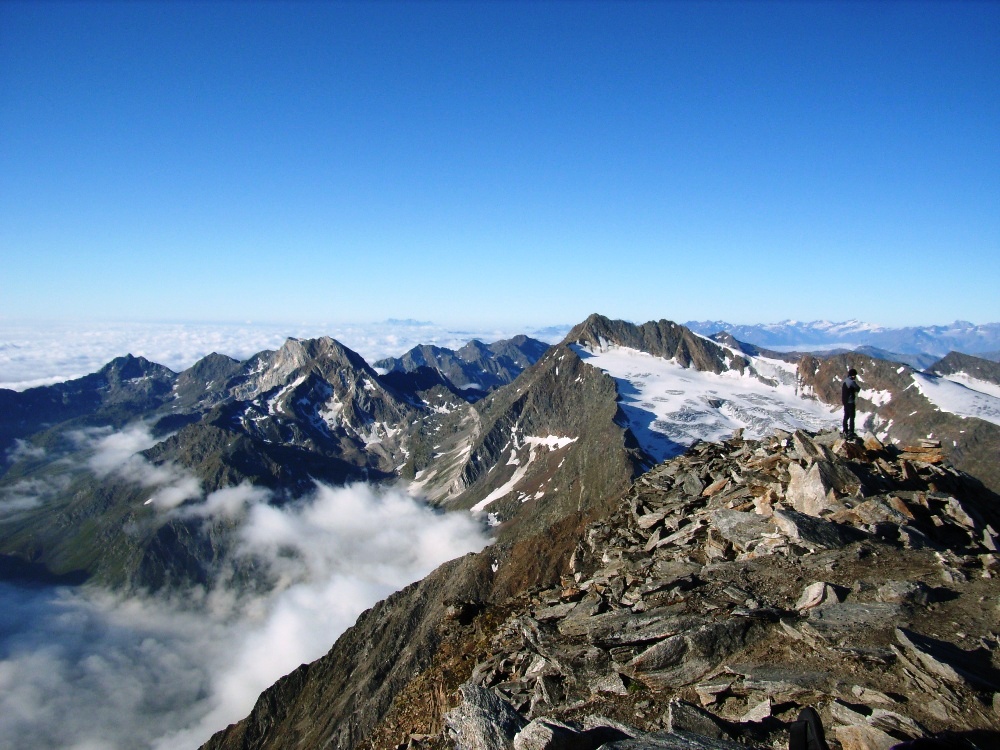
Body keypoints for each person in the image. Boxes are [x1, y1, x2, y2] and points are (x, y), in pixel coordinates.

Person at [841, 368, 860, 437]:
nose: (855, 376)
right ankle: (851, 432)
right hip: (850, 402)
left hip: (845, 402)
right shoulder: (851, 382)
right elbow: (858, 388)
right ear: (852, 375)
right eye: (854, 375)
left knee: (846, 416)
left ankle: (845, 430)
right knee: (852, 417)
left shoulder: (845, 381)